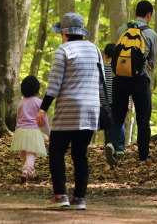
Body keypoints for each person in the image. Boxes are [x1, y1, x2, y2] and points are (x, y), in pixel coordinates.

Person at [36, 12, 103, 210]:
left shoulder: (62, 50)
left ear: (64, 34)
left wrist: (43, 109)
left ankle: (60, 195)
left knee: (57, 151)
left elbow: (54, 84)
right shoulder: (95, 49)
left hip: (68, 110)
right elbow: (101, 83)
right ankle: (79, 199)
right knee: (80, 154)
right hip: (91, 110)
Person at [105, 0, 157, 167]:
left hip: (120, 78)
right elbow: (152, 64)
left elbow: (117, 54)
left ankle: (112, 145)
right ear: (149, 15)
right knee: (143, 119)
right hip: (140, 80)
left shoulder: (122, 29)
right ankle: (143, 157)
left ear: (135, 12)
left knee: (117, 116)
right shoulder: (152, 34)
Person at [11, 75, 50, 183]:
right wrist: (49, 134)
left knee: (24, 153)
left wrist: (16, 130)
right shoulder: (39, 102)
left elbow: (18, 118)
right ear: (36, 89)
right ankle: (26, 170)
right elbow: (44, 119)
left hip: (20, 130)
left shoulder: (21, 102)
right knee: (31, 154)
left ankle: (31, 174)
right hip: (33, 130)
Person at [103, 43, 126, 155]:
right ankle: (120, 146)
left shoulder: (102, 68)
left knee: (107, 122)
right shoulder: (120, 68)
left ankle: (108, 143)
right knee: (119, 122)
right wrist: (129, 102)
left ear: (105, 55)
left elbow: (100, 85)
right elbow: (126, 86)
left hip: (106, 101)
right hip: (120, 99)